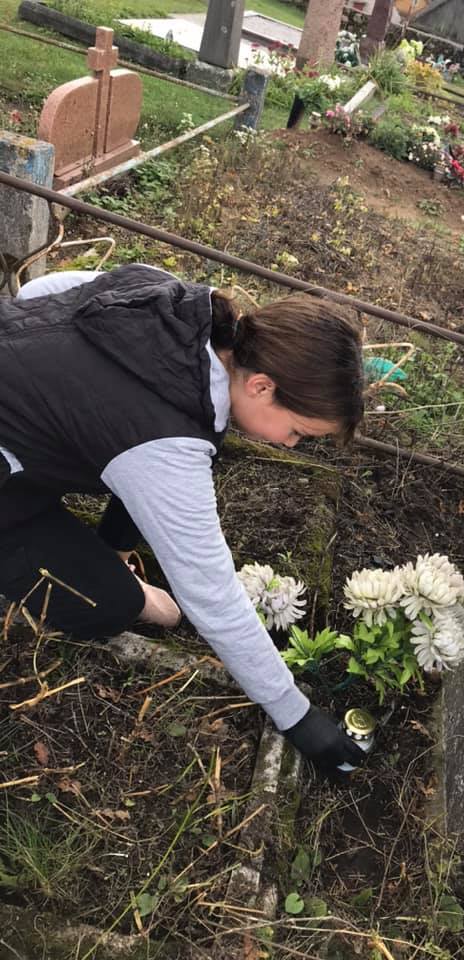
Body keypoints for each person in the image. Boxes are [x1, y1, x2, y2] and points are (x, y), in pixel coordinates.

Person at [0, 263, 367, 771]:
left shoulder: (172, 299)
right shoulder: (165, 445)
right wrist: (298, 717)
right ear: (262, 386)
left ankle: (102, 543)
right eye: (299, 432)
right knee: (130, 606)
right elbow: (211, 594)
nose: (291, 445)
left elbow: (44, 290)